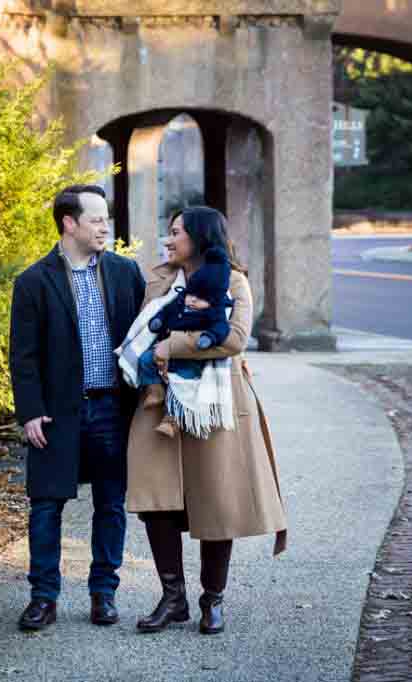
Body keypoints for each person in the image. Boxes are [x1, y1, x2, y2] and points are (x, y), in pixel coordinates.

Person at [126, 206, 288, 635]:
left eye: (176, 231)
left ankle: (212, 599)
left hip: (217, 405)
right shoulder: (160, 279)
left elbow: (233, 339)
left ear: (199, 236)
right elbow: (145, 331)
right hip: (158, 403)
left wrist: (172, 345)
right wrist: (158, 349)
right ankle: (172, 596)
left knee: (217, 499)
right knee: (155, 496)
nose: (168, 238)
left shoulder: (235, 281)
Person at [8, 184, 146, 631]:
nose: (105, 226)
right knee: (46, 506)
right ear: (69, 224)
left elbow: (147, 336)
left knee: (111, 505)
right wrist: (29, 411)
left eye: (106, 218)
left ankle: (103, 594)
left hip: (113, 411)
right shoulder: (33, 281)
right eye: (96, 219)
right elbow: (23, 355)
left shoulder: (127, 274)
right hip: (56, 414)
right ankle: (43, 599)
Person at [136, 244, 235, 438]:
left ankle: (172, 419)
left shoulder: (213, 312)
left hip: (188, 357)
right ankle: (155, 389)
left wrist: (208, 338)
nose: (191, 300)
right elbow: (167, 311)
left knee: (182, 386)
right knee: (145, 361)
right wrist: (158, 322)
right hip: (163, 350)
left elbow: (222, 329)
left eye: (199, 299)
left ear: (213, 301)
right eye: (191, 294)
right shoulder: (182, 300)